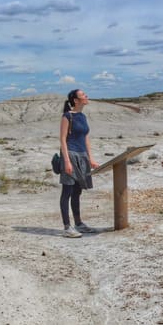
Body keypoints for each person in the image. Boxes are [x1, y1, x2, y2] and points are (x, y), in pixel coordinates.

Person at [59, 88, 99, 238]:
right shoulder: (67, 116)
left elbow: (86, 138)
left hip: (82, 156)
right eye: (83, 95)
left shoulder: (82, 116)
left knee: (77, 192)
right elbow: (62, 139)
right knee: (67, 192)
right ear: (76, 100)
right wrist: (67, 162)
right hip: (69, 155)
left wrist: (91, 158)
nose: (86, 96)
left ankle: (79, 224)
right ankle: (67, 227)